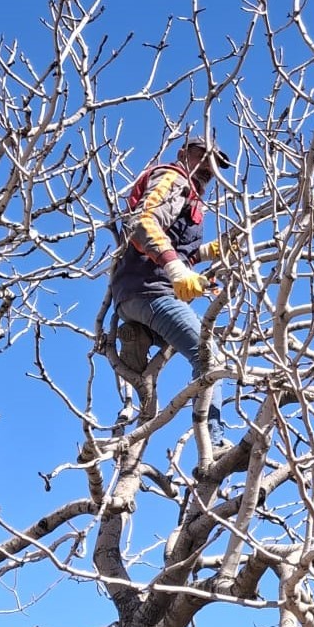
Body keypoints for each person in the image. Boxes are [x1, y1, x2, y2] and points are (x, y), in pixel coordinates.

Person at [109, 129, 234, 443]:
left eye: (214, 164)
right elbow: (142, 222)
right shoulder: (175, 179)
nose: (209, 167)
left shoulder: (191, 197)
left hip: (135, 295)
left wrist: (209, 252)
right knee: (210, 358)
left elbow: (177, 247)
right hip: (150, 290)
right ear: (182, 154)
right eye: (202, 157)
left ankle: (139, 337)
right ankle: (214, 442)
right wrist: (176, 270)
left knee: (182, 340)